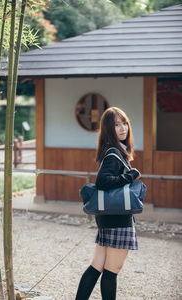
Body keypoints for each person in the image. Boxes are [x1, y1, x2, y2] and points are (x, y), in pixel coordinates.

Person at [75, 107, 141, 300]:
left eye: (124, 123)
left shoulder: (114, 150)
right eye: (116, 125)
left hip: (108, 219)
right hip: (118, 222)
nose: (123, 128)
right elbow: (103, 181)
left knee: (97, 268)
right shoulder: (114, 152)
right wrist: (131, 174)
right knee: (112, 271)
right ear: (108, 129)